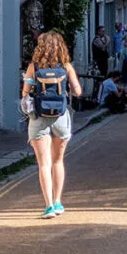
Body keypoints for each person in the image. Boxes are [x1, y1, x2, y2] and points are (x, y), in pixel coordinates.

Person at [22, 31, 83, 219]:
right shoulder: (66, 66)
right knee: (58, 161)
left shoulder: (34, 66)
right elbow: (78, 91)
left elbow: (26, 92)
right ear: (61, 47)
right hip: (61, 117)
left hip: (38, 117)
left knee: (43, 164)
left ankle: (48, 206)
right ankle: (58, 202)